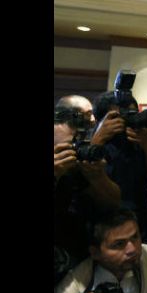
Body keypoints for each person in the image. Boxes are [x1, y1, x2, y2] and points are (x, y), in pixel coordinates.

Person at [54, 106, 121, 273]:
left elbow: (113, 204)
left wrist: (98, 177)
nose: (73, 151)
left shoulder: (77, 166)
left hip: (79, 254)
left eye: (75, 144)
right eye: (64, 148)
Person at [91, 91, 147, 240]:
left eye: (131, 114)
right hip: (102, 220)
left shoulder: (145, 139)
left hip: (139, 216)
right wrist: (97, 141)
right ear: (100, 120)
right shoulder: (91, 140)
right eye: (118, 117)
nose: (126, 120)